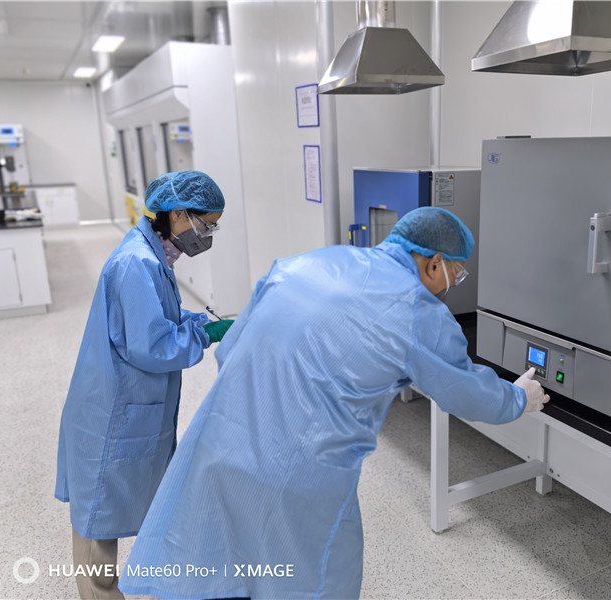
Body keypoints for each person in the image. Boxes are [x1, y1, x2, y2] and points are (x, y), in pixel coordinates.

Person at [119, 206, 549, 600]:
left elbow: (230, 350)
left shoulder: (303, 264)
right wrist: (518, 397)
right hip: (301, 474)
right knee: (315, 578)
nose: (451, 284)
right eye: (455, 274)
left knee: (226, 566)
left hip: (222, 442)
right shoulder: (418, 310)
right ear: (433, 263)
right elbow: (464, 390)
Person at [55, 170, 235, 600]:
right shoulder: (137, 263)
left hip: (129, 403)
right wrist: (205, 336)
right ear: (178, 214)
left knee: (114, 507)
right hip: (110, 412)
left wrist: (200, 322)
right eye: (205, 224)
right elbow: (152, 346)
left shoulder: (154, 256)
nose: (207, 235)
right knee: (97, 529)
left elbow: (158, 319)